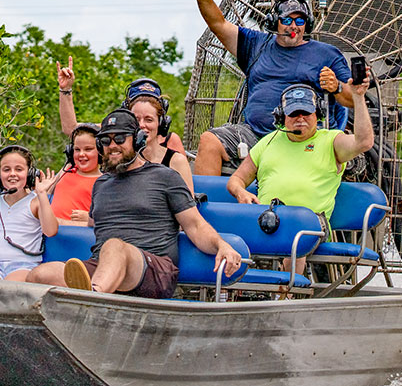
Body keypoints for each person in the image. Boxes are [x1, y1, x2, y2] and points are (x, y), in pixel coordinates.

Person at [24, 108, 242, 298]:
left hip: (154, 270)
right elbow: (91, 224)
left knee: (114, 246)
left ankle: (91, 299)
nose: (112, 145)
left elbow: (194, 225)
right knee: (41, 274)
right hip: (104, 268)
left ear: (137, 140)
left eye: (120, 138)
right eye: (106, 140)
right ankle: (88, 297)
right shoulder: (101, 184)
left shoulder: (164, 177)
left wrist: (221, 245)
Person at [178, 0, 352, 175]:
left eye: (300, 21)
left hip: (301, 139)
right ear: (273, 23)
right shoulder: (256, 44)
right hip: (254, 136)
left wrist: (336, 87)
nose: (294, 27)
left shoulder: (326, 54)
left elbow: (353, 98)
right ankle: (205, 206)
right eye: (287, 20)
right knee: (210, 141)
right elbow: (218, 24)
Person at [226, 80, 374, 232]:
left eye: (306, 112)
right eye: (294, 113)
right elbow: (236, 180)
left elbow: (363, 142)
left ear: (318, 114)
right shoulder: (267, 142)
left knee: (298, 236)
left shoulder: (332, 141)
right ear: (281, 116)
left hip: (310, 227)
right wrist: (241, 192)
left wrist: (358, 97)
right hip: (266, 222)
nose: (300, 118)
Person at [0, 146, 59, 282]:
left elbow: (51, 231)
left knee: (9, 288)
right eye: (6, 169)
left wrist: (42, 194)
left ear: (30, 173)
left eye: (19, 169)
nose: (12, 174)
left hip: (24, 267)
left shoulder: (35, 202)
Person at [57, 59, 186, 152]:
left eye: (149, 119)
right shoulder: (113, 134)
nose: (142, 125)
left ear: (161, 121)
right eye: (136, 119)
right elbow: (71, 129)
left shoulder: (170, 141)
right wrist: (65, 89)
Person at [49, 123, 101, 226]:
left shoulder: (103, 181)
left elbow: (108, 219)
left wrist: (89, 218)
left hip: (77, 235)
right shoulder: (67, 169)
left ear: (100, 151)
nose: (81, 154)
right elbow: (47, 193)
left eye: (88, 149)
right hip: (51, 236)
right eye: (77, 149)